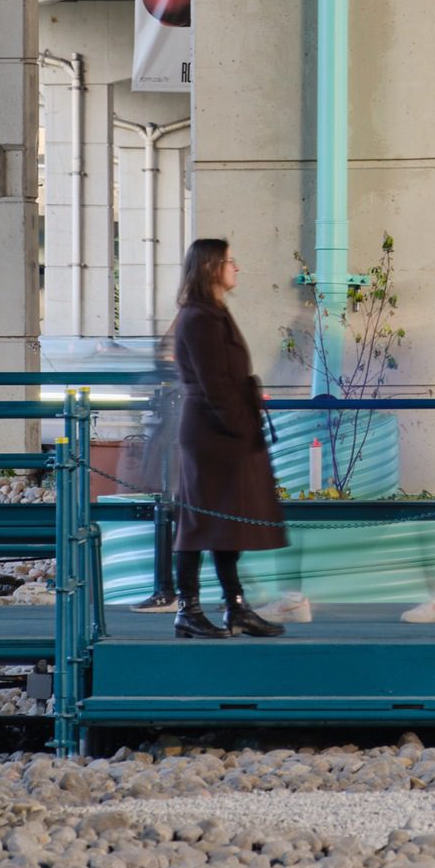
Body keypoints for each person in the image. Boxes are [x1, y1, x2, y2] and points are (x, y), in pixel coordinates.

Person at [169, 239, 287, 639]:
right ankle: (188, 608)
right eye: (229, 261)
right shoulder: (199, 318)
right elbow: (214, 383)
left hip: (221, 430)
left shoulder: (212, 313)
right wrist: (240, 425)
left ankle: (234, 606)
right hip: (211, 434)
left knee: (224, 523)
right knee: (198, 521)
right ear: (209, 268)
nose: (236, 268)